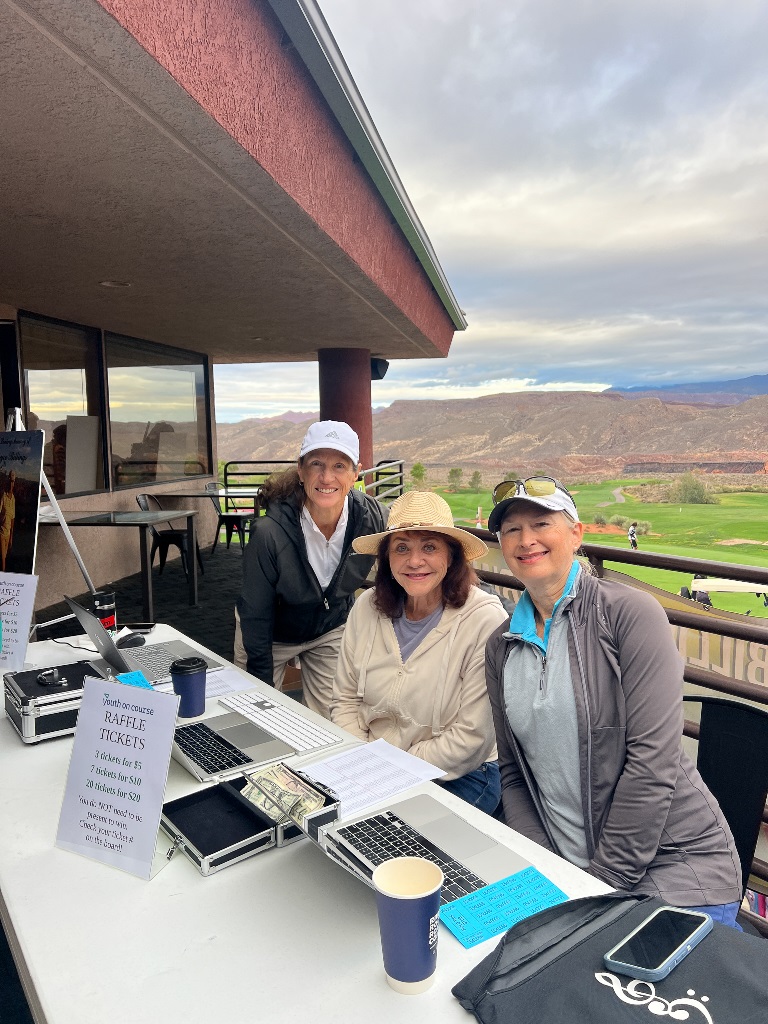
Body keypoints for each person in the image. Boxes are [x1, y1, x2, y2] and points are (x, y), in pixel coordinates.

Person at [485, 476, 742, 925]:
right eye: (511, 530)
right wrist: (544, 866)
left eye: (542, 523)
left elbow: (653, 761)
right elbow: (513, 772)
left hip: (674, 870)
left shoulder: (627, 615)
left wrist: (597, 886)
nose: (526, 540)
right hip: (570, 874)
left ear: (576, 534)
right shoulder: (501, 645)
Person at [331, 491, 507, 812]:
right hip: (370, 761)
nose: (414, 561)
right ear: (386, 559)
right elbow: (344, 700)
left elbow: (472, 738)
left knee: (392, 844)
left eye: (429, 546)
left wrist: (391, 770)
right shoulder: (366, 609)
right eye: (402, 548)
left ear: (452, 556)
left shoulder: (484, 618)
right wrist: (363, 759)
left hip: (459, 776)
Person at [236, 421, 387, 719]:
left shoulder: (372, 519)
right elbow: (255, 612)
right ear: (301, 469)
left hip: (329, 627)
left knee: (334, 719)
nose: (327, 477)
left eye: (339, 466)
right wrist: (261, 691)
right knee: (255, 716)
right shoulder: (269, 533)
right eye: (317, 463)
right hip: (270, 632)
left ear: (356, 473)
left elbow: (406, 560)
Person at [0, 469, 17, 571]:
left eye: (13, 482)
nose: (12, 484)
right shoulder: (3, 496)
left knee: (4, 556)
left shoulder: (13, 499)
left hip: (8, 534)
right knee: (3, 560)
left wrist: (11, 537)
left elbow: (12, 519)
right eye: (10, 481)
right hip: (1, 533)